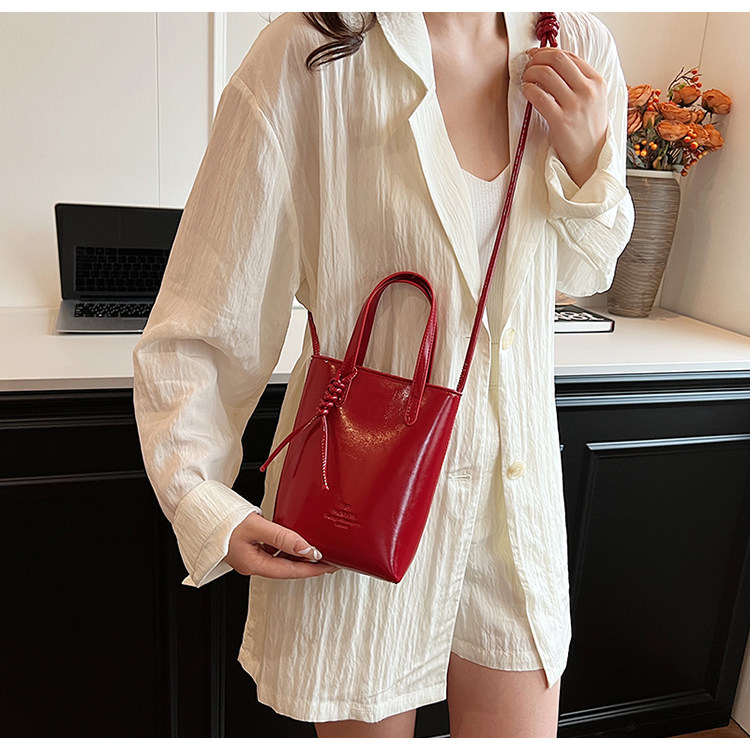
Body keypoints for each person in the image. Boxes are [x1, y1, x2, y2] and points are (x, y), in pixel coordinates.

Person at [132, 11, 634, 738]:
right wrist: (199, 496)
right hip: (359, 498)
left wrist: (589, 159)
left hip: (514, 505)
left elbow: (588, 269)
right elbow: (208, 308)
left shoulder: (578, 46)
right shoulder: (311, 50)